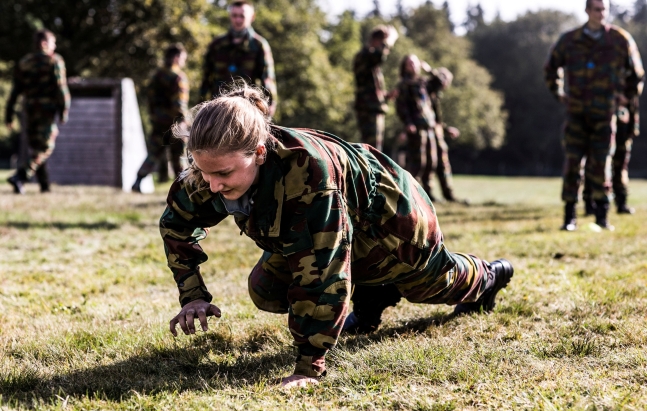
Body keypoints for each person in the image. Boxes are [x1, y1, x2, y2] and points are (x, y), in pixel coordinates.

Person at [160, 85, 514, 388]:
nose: (213, 184)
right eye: (204, 171)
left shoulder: (309, 178)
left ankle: (489, 275)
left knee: (431, 285)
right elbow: (176, 224)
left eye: (223, 173)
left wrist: (307, 368)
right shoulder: (209, 167)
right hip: (339, 225)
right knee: (265, 289)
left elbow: (324, 275)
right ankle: (374, 292)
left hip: (389, 216)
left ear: (260, 154)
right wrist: (193, 296)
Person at [544, 0, 644, 231]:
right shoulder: (570, 40)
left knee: (602, 164)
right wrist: (559, 93)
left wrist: (626, 97)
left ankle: (602, 215)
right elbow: (550, 68)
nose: (601, 14)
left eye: (604, 9)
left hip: (605, 114)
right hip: (577, 113)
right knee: (572, 164)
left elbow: (637, 74)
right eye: (596, 9)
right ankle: (570, 217)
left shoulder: (620, 40)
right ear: (587, 11)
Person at [5, 28, 70, 194]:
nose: (54, 47)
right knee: (45, 148)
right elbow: (61, 89)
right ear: (44, 43)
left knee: (36, 148)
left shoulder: (24, 62)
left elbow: (15, 91)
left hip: (29, 110)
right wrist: (64, 110)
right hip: (46, 112)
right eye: (52, 43)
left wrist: (9, 115)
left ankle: (44, 186)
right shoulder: (54, 61)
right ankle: (20, 176)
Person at [199, 0, 277, 116]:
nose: (238, 20)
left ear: (252, 17)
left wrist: (270, 105)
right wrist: (201, 106)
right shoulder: (217, 45)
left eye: (242, 16)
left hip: (247, 110)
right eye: (234, 16)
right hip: (217, 108)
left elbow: (267, 79)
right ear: (230, 17)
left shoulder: (259, 45)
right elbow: (206, 78)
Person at [132, 43, 189, 192]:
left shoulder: (156, 76)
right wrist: (184, 121)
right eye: (182, 58)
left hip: (158, 122)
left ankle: (138, 181)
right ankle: (182, 189)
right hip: (175, 124)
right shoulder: (178, 77)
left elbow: (149, 100)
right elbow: (179, 104)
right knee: (179, 157)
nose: (183, 61)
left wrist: (154, 117)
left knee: (153, 154)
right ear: (176, 57)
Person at [582, 97, 641, 215]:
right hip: (602, 121)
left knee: (621, 165)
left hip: (623, 124)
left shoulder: (630, 84)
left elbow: (632, 100)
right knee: (596, 163)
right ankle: (590, 202)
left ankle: (621, 202)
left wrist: (633, 126)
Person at [394, 54, 439, 200]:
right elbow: (401, 107)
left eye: (414, 63)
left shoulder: (423, 82)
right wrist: (408, 124)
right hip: (416, 128)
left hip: (429, 127)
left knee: (432, 161)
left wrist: (430, 70)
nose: (412, 66)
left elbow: (439, 83)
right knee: (418, 162)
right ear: (405, 67)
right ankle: (411, 193)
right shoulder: (403, 85)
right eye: (409, 63)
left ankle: (428, 193)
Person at [352, 25, 398, 152]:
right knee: (372, 150)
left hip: (373, 108)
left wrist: (386, 95)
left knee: (374, 148)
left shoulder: (370, 60)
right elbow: (379, 56)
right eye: (382, 42)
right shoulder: (364, 56)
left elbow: (369, 87)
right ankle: (368, 172)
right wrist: (391, 39)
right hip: (368, 109)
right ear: (376, 40)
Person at [427, 67, 467, 204]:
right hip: (427, 135)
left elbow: (434, 119)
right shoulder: (426, 89)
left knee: (442, 164)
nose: (445, 84)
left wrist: (445, 129)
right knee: (429, 164)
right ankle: (428, 195)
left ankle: (449, 195)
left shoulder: (435, 95)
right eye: (444, 80)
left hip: (437, 134)